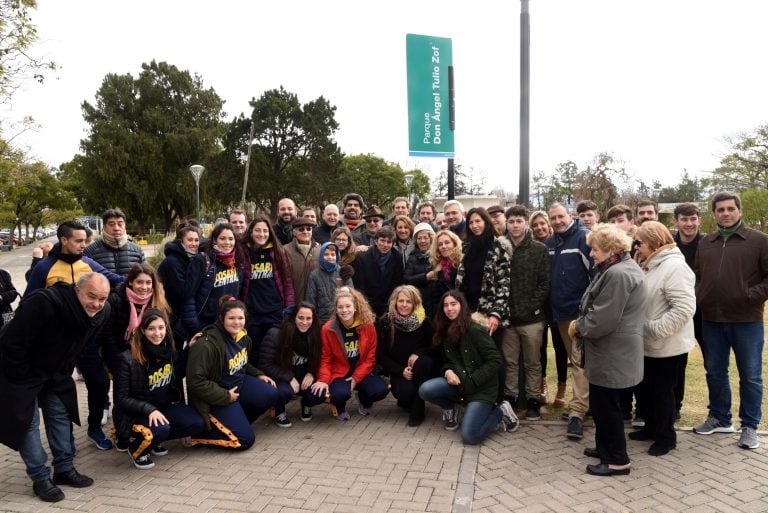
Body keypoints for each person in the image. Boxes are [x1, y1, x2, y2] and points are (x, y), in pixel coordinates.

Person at [0, 273, 110, 502]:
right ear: (77, 290)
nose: (97, 304)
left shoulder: (102, 312)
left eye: (102, 298)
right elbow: (11, 343)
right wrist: (24, 376)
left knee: (60, 414)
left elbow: (83, 344)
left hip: (55, 370)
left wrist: (64, 367)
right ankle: (40, 478)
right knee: (28, 423)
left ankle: (64, 469)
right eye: (91, 296)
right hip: (19, 371)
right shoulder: (44, 302)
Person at [693, 191, 768, 450]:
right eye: (720, 210)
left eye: (730, 209)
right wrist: (701, 296)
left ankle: (750, 426)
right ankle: (720, 417)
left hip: (747, 320)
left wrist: (749, 296)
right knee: (715, 371)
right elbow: (699, 275)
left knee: (750, 376)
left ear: (739, 210)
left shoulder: (759, 241)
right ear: (713, 213)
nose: (725, 213)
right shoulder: (706, 243)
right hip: (712, 319)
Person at [572, 223, 647, 476]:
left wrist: (578, 327)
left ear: (611, 249)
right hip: (610, 351)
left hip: (612, 352)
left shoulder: (618, 274)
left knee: (607, 407)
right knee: (604, 405)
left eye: (595, 249)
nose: (592, 254)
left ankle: (617, 460)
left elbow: (603, 318)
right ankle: (605, 448)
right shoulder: (617, 268)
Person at [419, 290, 518, 444]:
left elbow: (495, 359)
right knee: (425, 389)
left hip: (482, 390)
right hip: (460, 387)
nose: (449, 309)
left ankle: (501, 411)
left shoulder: (475, 329)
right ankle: (452, 408)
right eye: (445, 305)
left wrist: (473, 380)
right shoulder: (445, 331)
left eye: (453, 304)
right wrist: (448, 372)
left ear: (462, 305)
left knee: (470, 436)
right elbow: (446, 361)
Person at [632, 221, 695, 456]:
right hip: (647, 343)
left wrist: (653, 329)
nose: (636, 247)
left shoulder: (674, 267)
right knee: (647, 389)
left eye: (639, 242)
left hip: (667, 345)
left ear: (654, 242)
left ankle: (666, 437)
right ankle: (650, 427)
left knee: (662, 392)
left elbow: (684, 308)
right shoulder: (649, 263)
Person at [115, 309, 204, 469]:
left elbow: (178, 373)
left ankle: (155, 440)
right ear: (142, 330)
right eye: (151, 328)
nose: (157, 333)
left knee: (196, 423)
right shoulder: (127, 359)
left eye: (161, 328)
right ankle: (137, 450)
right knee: (160, 429)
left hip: (164, 406)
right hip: (135, 414)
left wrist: (189, 349)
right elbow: (121, 399)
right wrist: (149, 410)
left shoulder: (169, 350)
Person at [186, 297, 279, 449]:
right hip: (217, 394)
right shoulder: (206, 344)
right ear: (222, 319)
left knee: (271, 393)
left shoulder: (242, 337)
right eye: (231, 318)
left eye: (240, 318)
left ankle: (237, 422)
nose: (237, 322)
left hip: (238, 385)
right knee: (245, 441)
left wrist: (258, 374)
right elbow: (196, 381)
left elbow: (242, 362)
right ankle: (201, 435)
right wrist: (225, 396)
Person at [102, 263, 172, 452]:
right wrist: (118, 361)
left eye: (148, 282)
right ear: (131, 282)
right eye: (139, 282)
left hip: (148, 353)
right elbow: (108, 335)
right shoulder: (116, 300)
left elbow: (164, 329)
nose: (144, 287)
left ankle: (150, 427)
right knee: (124, 394)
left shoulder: (157, 300)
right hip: (123, 356)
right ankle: (122, 432)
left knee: (145, 390)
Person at [546, 202, 594, 440]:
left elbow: (595, 278)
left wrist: (588, 313)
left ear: (570, 215)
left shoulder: (584, 239)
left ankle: (577, 412)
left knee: (579, 363)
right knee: (578, 364)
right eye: (552, 218)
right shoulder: (551, 243)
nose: (557, 221)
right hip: (560, 315)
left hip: (580, 315)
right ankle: (586, 405)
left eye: (560, 217)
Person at [499, 205, 550, 421]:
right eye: (511, 221)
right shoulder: (500, 247)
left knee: (532, 362)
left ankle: (532, 401)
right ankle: (510, 397)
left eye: (519, 221)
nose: (515, 225)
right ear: (507, 223)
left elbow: (544, 283)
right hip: (508, 318)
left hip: (532, 318)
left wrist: (530, 306)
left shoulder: (538, 249)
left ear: (526, 223)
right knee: (510, 361)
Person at [312, 287, 388, 420]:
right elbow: (326, 358)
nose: (344, 310)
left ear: (355, 307)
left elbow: (370, 358)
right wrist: (323, 380)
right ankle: (340, 408)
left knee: (380, 390)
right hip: (340, 372)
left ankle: (364, 399)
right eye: (340, 307)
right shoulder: (328, 329)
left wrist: (356, 378)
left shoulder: (368, 325)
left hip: (362, 370)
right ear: (336, 309)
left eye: (348, 306)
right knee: (339, 394)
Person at [376, 285, 437, 426]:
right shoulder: (386, 322)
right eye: (401, 301)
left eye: (408, 301)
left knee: (424, 361)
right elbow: (380, 355)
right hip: (399, 371)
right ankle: (409, 401)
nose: (404, 305)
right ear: (395, 302)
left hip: (421, 369)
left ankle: (418, 409)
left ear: (415, 303)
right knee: (404, 394)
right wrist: (400, 371)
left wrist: (418, 353)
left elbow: (435, 347)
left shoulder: (424, 321)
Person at [258, 303, 325, 426]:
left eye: (308, 318)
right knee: (283, 392)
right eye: (300, 318)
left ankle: (306, 404)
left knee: (319, 392)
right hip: (282, 377)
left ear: (313, 319)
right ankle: (279, 410)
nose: (304, 322)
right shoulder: (276, 334)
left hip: (305, 375)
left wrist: (312, 372)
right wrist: (289, 377)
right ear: (294, 317)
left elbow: (321, 357)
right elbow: (265, 364)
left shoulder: (317, 332)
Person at [182, 223, 249, 336]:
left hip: (229, 325)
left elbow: (239, 294)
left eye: (230, 239)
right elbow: (189, 294)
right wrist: (194, 325)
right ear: (214, 240)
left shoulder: (238, 262)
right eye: (222, 238)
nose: (227, 242)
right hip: (206, 325)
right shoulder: (203, 260)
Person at [241, 216, 295, 350]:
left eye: (265, 231)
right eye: (258, 230)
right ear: (251, 232)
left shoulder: (278, 251)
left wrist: (289, 308)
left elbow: (287, 282)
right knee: (253, 350)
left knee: (273, 350)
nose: (262, 234)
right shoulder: (243, 252)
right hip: (252, 313)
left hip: (275, 311)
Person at [456, 207, 510, 334]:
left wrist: (496, 314)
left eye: (478, 221)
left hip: (489, 314)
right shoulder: (467, 247)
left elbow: (504, 285)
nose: (474, 225)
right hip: (467, 311)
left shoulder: (499, 248)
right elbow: (462, 279)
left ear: (486, 222)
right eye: (470, 222)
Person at [672, 202, 704, 416]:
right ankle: (674, 408)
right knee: (676, 361)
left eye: (693, 219)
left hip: (703, 311)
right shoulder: (669, 245)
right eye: (684, 219)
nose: (689, 223)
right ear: (676, 222)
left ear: (699, 220)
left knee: (713, 364)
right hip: (676, 312)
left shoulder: (708, 243)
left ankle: (718, 414)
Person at [530, 210, 563, 406]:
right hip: (540, 304)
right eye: (535, 225)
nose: (539, 227)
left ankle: (562, 386)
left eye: (542, 223)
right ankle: (542, 384)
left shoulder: (557, 242)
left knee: (560, 347)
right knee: (540, 346)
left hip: (557, 303)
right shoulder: (533, 247)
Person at [157, 221, 202, 348]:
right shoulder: (173, 262)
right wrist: (197, 266)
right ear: (181, 241)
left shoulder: (191, 257)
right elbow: (184, 292)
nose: (194, 244)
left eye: (196, 240)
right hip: (172, 317)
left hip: (184, 315)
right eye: (190, 240)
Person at [352, 226, 404, 317]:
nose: (385, 245)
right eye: (382, 241)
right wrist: (365, 306)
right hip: (367, 303)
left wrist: (390, 305)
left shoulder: (397, 257)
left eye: (389, 242)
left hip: (387, 303)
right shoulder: (362, 257)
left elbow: (397, 283)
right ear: (376, 241)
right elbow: (360, 285)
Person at [84, 208, 146, 277]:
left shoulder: (137, 250)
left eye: (120, 224)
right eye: (111, 224)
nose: (116, 228)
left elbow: (145, 276)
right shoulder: (90, 251)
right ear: (104, 227)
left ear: (125, 226)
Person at [306, 241, 353, 323]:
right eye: (326, 254)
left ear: (337, 256)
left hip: (342, 316)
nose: (330, 257)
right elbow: (311, 298)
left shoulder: (343, 272)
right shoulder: (314, 275)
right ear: (321, 256)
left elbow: (352, 294)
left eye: (332, 254)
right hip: (322, 319)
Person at [427, 229, 462, 317]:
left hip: (459, 313)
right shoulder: (436, 267)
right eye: (440, 244)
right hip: (440, 314)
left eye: (447, 242)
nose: (444, 246)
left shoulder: (462, 265)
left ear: (454, 244)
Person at [284, 216, 320, 302]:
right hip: (293, 302)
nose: (305, 232)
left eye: (308, 229)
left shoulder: (320, 250)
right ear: (294, 232)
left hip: (315, 303)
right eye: (301, 229)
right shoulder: (284, 251)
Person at [403, 223, 436, 314]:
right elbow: (406, 279)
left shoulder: (438, 256)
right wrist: (426, 277)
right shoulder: (412, 257)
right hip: (418, 300)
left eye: (425, 238)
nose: (422, 241)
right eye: (419, 238)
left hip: (436, 301)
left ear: (431, 239)